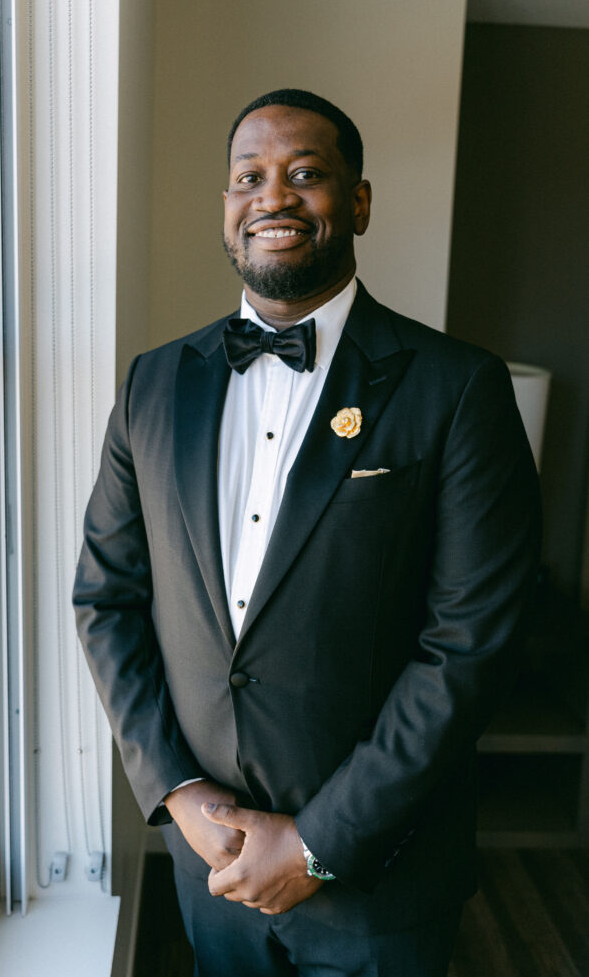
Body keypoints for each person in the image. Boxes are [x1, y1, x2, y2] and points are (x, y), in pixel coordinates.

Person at [73, 88, 541, 976]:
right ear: (226, 206)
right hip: (213, 869)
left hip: (382, 879)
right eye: (249, 177)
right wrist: (176, 792)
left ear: (356, 201)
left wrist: (320, 844)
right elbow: (106, 597)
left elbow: (471, 646)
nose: (273, 197)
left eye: (307, 174)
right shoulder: (152, 385)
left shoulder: (459, 389)